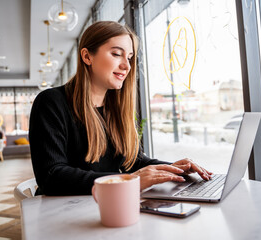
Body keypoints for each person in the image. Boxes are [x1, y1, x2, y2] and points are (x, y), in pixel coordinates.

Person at [29, 21, 212, 196]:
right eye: (117, 54)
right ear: (87, 57)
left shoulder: (115, 109)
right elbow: (51, 176)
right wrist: (129, 181)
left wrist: (174, 168)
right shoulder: (51, 102)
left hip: (103, 203)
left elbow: (133, 161)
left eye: (130, 57)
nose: (126, 66)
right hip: (61, 212)